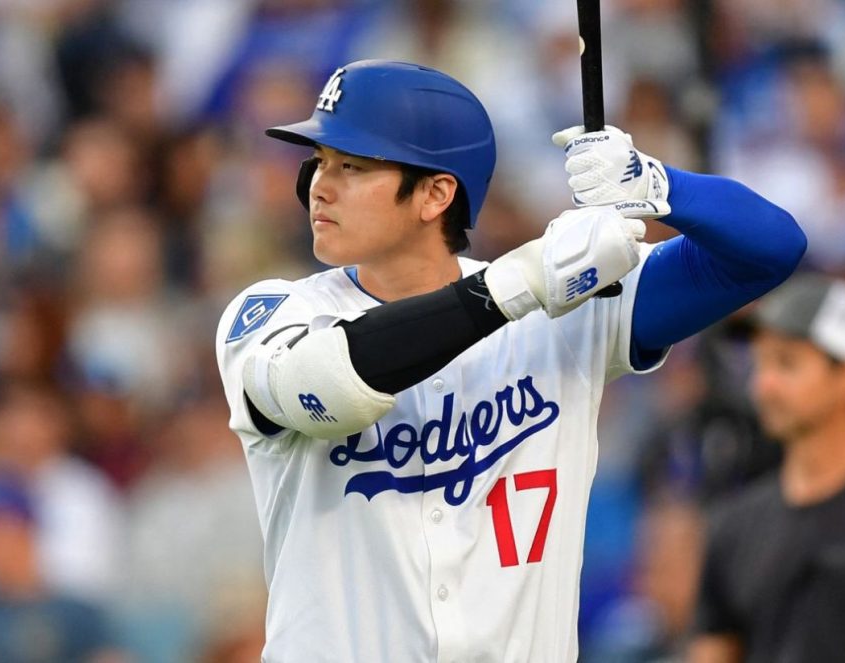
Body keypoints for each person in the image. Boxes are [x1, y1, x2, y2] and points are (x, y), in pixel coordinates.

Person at [215, 59, 806, 662]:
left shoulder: (561, 309)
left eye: (353, 165)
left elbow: (770, 249)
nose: (319, 182)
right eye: (319, 160)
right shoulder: (273, 313)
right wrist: (516, 284)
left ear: (436, 194)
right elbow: (333, 384)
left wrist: (657, 186)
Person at [689, 274, 845, 663]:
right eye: (760, 364)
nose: (764, 386)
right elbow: (713, 650)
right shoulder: (736, 524)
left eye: (787, 363)